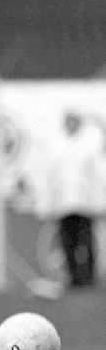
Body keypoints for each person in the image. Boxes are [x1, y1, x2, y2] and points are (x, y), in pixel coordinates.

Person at [46, 111, 104, 289]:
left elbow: (97, 175)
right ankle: (73, 277)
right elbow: (50, 175)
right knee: (67, 242)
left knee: (86, 241)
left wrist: (98, 201)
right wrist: (48, 202)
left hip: (84, 203)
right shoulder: (56, 144)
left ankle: (89, 277)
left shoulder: (90, 144)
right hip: (63, 203)